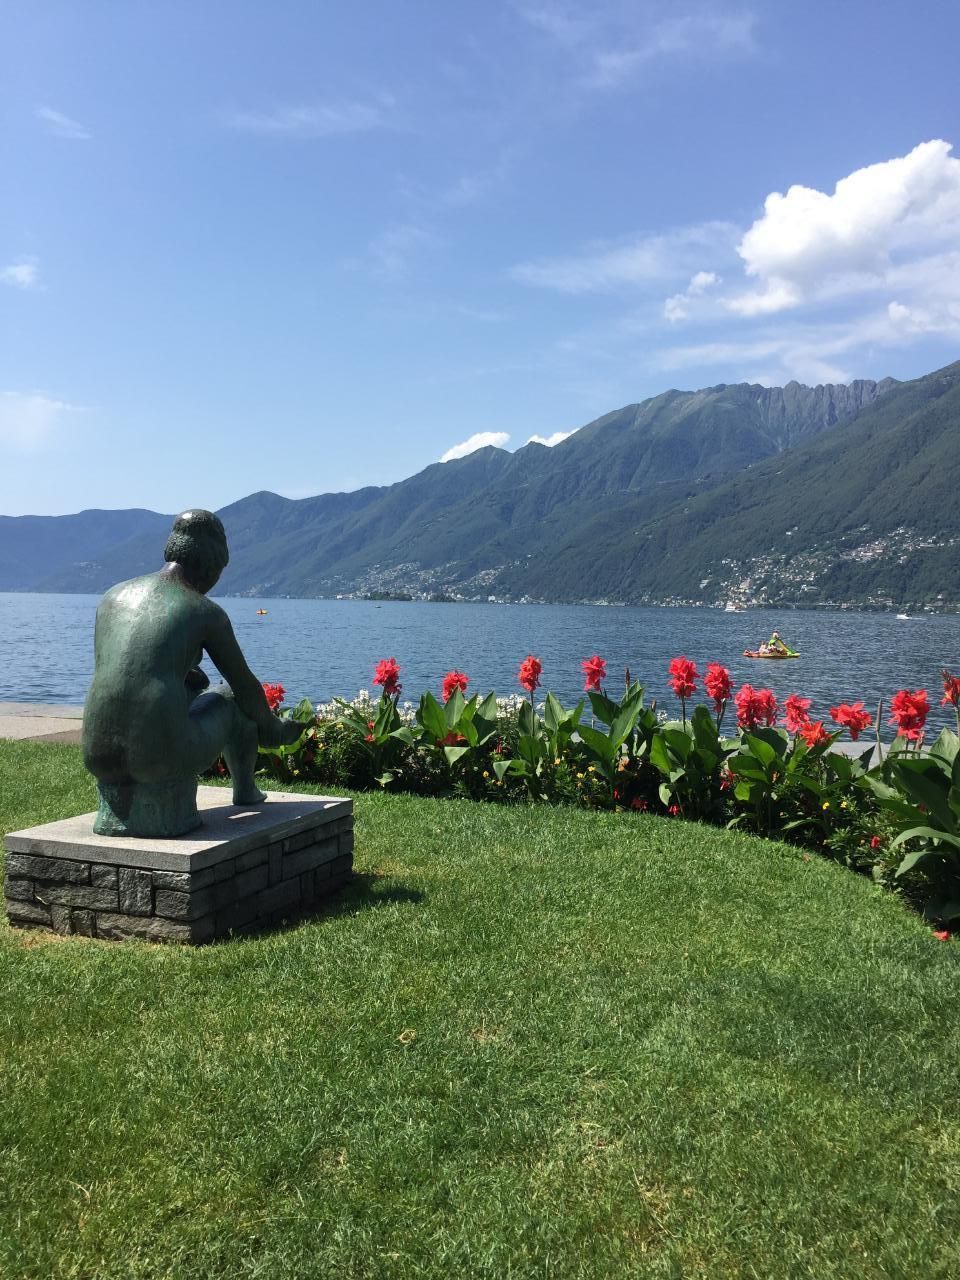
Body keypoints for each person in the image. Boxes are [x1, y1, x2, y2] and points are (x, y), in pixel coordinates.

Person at [82, 509, 302, 836]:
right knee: (230, 696)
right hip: (161, 755)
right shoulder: (205, 612)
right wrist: (274, 729)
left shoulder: (112, 597)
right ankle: (245, 790)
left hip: (98, 754)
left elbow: (126, 674)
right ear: (212, 565)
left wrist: (185, 678)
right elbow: (244, 686)